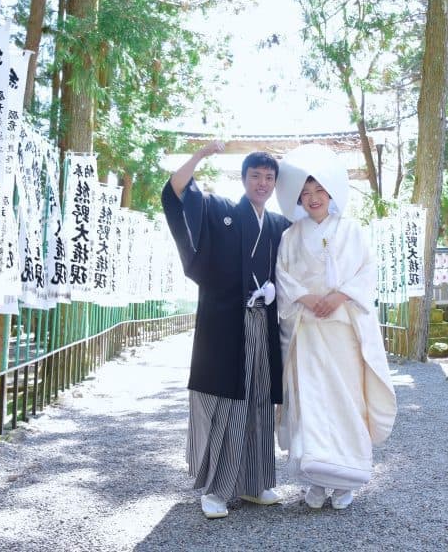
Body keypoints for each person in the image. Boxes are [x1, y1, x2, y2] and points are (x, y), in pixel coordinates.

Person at [161, 141, 291, 519]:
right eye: (256, 176)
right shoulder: (220, 211)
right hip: (225, 324)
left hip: (262, 325)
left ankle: (255, 482)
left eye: (269, 178)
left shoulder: (280, 224)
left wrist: (275, 291)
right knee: (226, 404)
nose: (262, 183)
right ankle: (216, 489)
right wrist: (200, 156)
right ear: (244, 178)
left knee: (260, 401)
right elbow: (177, 191)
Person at [273, 144, 397, 511]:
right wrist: (307, 298)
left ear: (331, 194)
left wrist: (340, 295)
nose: (312, 199)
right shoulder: (290, 236)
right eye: (306, 193)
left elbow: (366, 271)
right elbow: (283, 275)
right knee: (310, 404)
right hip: (308, 331)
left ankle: (347, 480)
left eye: (319, 192)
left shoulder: (352, 230)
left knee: (346, 400)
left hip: (342, 330)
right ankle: (315, 480)